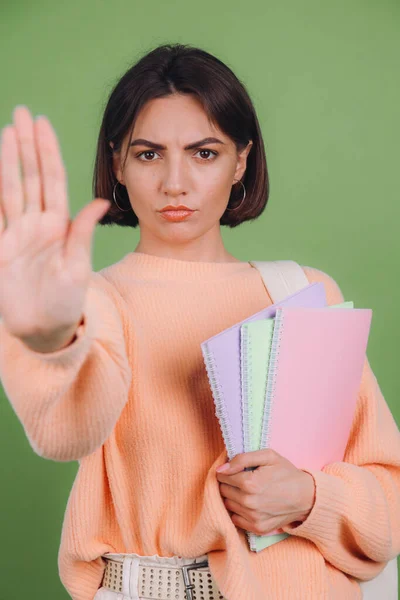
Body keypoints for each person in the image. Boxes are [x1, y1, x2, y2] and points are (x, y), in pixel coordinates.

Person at [0, 42, 399, 600]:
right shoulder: (92, 305)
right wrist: (51, 342)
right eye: (148, 154)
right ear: (117, 161)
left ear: (241, 160)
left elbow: (390, 490)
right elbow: (69, 430)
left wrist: (311, 498)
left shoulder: (302, 294)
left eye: (204, 153)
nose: (175, 183)